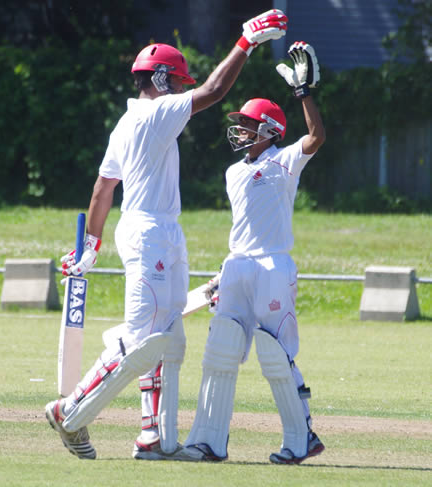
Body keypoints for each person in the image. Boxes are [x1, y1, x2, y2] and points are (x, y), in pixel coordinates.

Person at [45, 10, 288, 461]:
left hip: (160, 230)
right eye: (176, 82)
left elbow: (102, 188)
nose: (180, 90)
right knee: (145, 339)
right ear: (159, 78)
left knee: (169, 340)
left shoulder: (126, 122)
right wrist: (245, 42)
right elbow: (214, 91)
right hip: (149, 232)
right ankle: (69, 411)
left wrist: (90, 246)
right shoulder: (155, 113)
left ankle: (153, 436)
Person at [184, 41, 326, 464]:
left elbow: (317, 136)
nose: (240, 130)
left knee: (274, 353)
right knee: (220, 349)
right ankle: (209, 440)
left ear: (268, 131)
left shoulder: (284, 162)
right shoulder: (232, 172)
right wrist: (221, 275)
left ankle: (302, 440)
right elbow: (241, 230)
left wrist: (304, 95)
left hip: (273, 266)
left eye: (247, 124)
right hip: (238, 265)